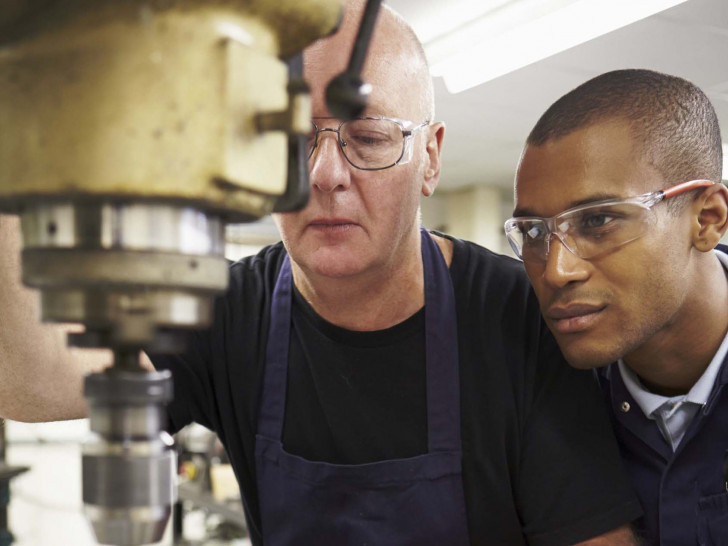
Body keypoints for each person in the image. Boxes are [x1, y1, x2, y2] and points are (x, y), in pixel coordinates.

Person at [0, 2, 643, 544]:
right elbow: (28, 385)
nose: (324, 174)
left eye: (368, 137)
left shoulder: (521, 316)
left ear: (431, 157)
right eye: (292, 140)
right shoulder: (225, 308)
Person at [507, 68, 728, 545]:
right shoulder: (545, 390)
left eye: (599, 220)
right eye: (533, 233)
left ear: (707, 219)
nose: (555, 271)